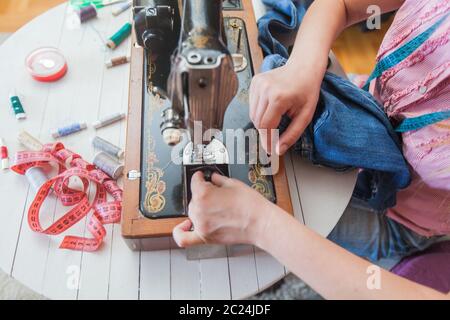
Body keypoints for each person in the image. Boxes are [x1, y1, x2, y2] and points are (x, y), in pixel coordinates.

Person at [173, 0, 450, 299]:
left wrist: (259, 223)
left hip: (401, 221)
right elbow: (342, 4)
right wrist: (302, 68)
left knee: (268, 230)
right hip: (362, 116)